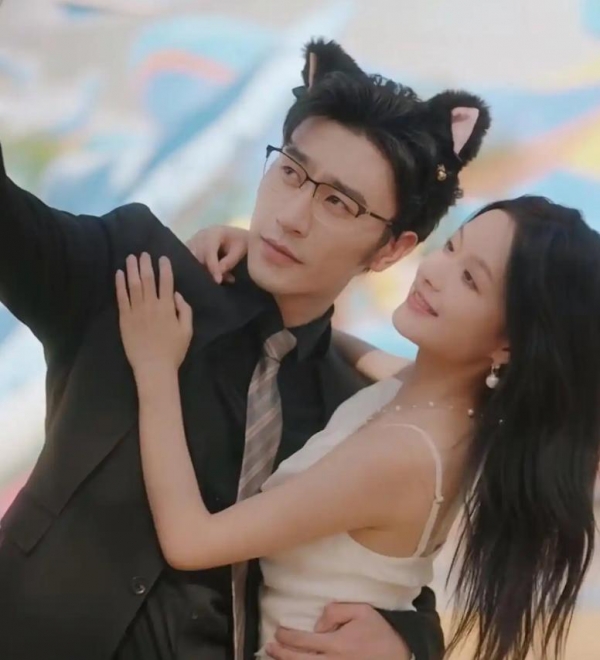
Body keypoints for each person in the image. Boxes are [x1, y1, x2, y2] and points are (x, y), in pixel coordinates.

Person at [0, 39, 490, 660]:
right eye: (290, 172)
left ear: (391, 250)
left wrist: (409, 643)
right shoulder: (141, 274)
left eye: (337, 202)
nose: (291, 217)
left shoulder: (355, 413)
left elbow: (390, 572)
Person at [176, 196, 600, 660]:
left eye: (470, 279)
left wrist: (155, 365)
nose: (434, 272)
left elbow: (191, 541)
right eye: (451, 246)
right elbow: (338, 343)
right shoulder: (436, 400)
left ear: (508, 345)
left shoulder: (403, 452)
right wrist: (263, 266)